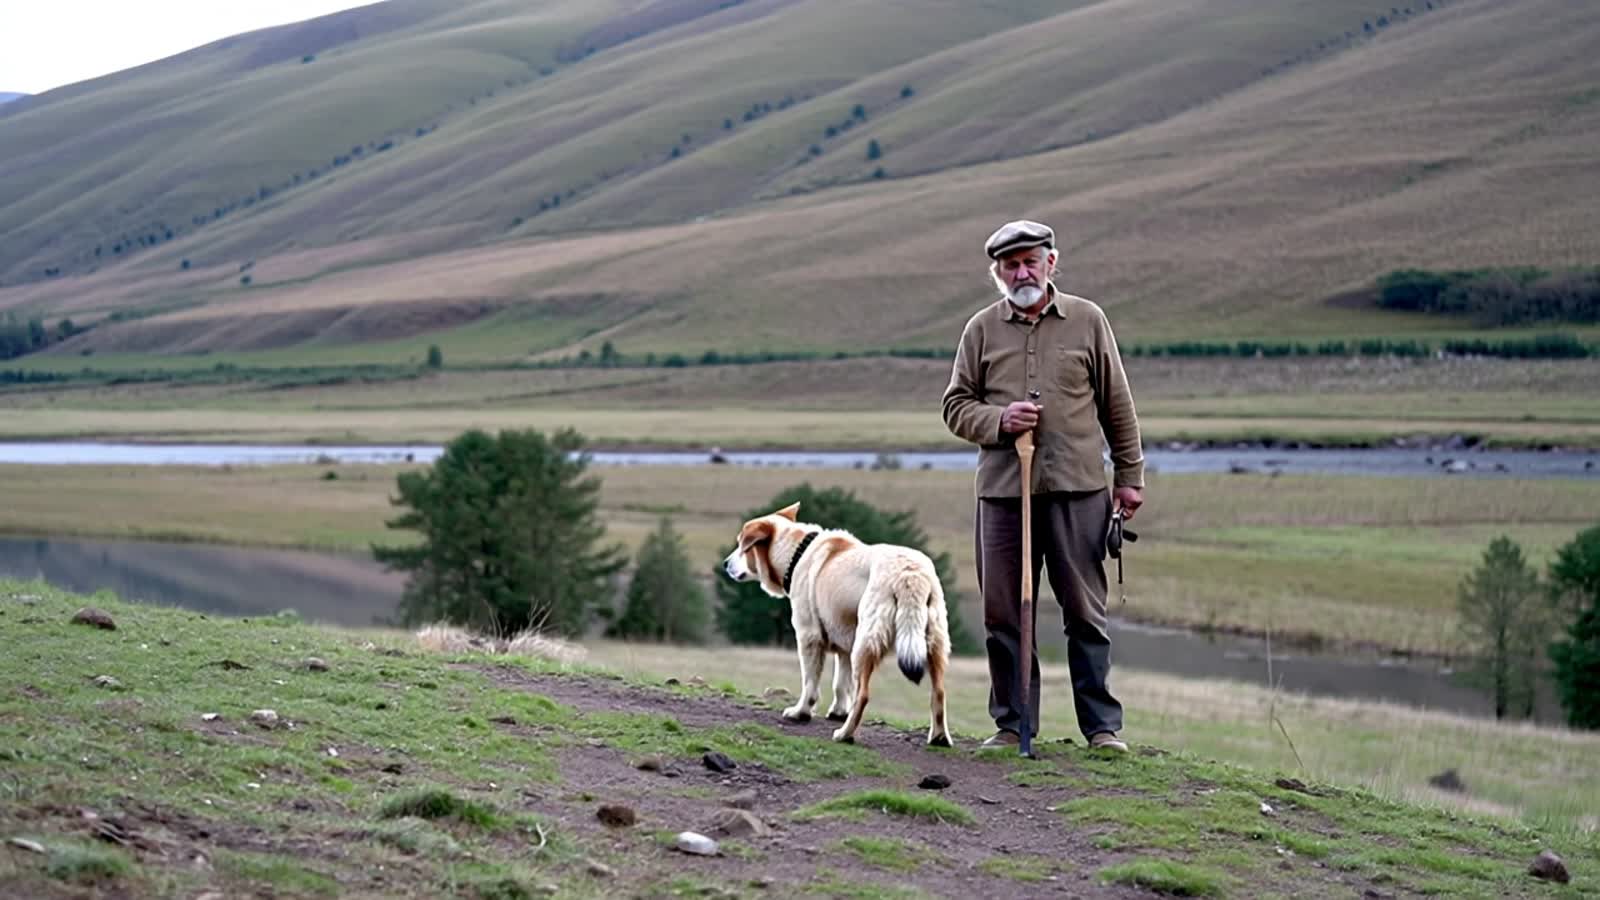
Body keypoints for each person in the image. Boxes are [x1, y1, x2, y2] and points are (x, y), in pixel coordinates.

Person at [940, 219, 1145, 752]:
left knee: (1084, 610)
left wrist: (1129, 478)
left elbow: (1116, 405)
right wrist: (998, 421)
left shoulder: (1087, 320)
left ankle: (1101, 728)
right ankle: (1013, 725)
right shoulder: (980, 330)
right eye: (1011, 264)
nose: (1023, 271)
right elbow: (954, 406)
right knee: (1004, 611)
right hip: (1004, 493)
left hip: (1078, 488)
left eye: (1032, 260)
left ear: (1052, 262)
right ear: (998, 273)